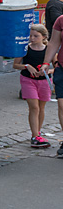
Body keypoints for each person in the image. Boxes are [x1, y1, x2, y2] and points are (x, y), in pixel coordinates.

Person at [15, 24, 52, 149]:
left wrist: (47, 70)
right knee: (34, 107)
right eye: (30, 36)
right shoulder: (25, 49)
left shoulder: (48, 50)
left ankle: (37, 133)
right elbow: (15, 65)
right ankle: (35, 137)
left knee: (41, 108)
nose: (32, 38)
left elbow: (56, 67)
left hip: (43, 81)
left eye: (36, 36)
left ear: (44, 37)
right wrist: (27, 66)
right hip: (28, 80)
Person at [42, 16, 63, 158]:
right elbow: (54, 43)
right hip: (62, 68)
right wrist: (46, 62)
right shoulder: (61, 20)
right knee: (62, 105)